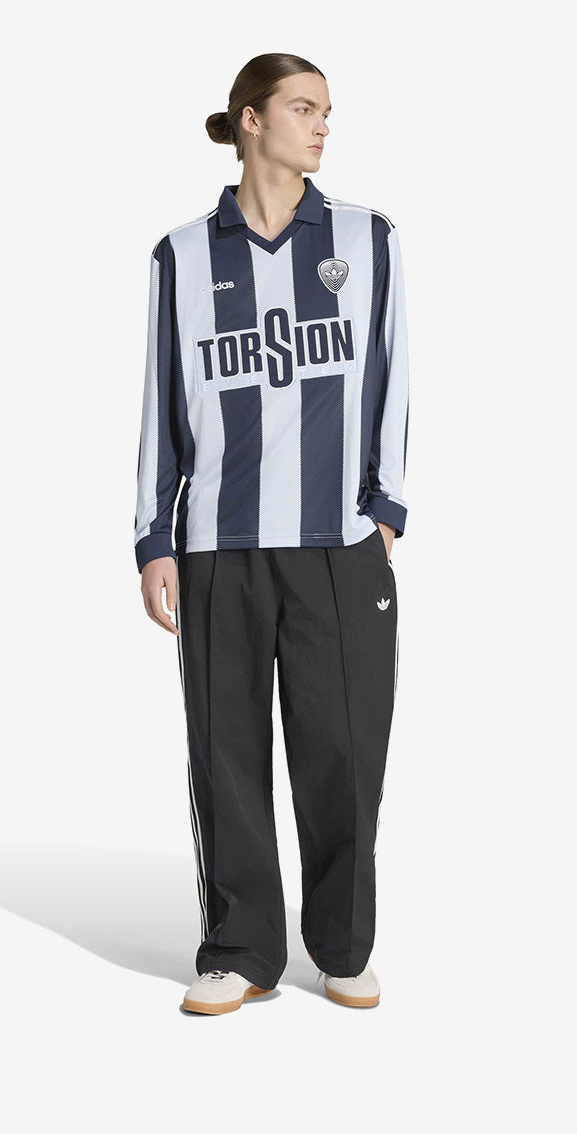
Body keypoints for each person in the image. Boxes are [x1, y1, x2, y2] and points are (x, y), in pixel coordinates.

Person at [133, 52, 410, 1015]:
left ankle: (342, 945)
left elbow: (392, 374)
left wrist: (385, 511)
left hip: (339, 547)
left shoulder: (366, 237)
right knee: (226, 756)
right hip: (218, 547)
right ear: (252, 120)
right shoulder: (181, 255)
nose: (323, 125)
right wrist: (154, 538)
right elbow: (161, 401)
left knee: (344, 754)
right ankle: (241, 949)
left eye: (327, 111)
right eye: (304, 108)